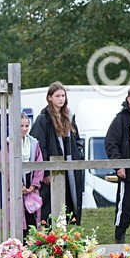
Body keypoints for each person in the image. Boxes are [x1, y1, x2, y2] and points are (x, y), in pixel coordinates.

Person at [31, 81, 84, 224]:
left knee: (71, 200)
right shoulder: (44, 119)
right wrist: (46, 172)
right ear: (49, 97)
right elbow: (39, 146)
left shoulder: (69, 116)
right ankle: (51, 236)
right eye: (57, 96)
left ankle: (71, 233)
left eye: (63, 96)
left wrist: (79, 154)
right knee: (51, 206)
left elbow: (77, 140)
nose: (61, 99)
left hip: (71, 167)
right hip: (53, 168)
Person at [104, 85, 130, 243]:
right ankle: (120, 242)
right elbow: (111, 144)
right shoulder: (121, 119)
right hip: (129, 174)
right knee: (124, 208)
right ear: (129, 99)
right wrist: (119, 165)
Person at [18, 113, 45, 230]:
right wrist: (19, 185)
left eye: (26, 126)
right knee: (19, 213)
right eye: (21, 126)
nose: (24, 129)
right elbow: (7, 168)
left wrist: (34, 184)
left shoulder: (34, 143)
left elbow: (39, 164)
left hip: (31, 179)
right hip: (18, 179)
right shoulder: (9, 143)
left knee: (32, 214)